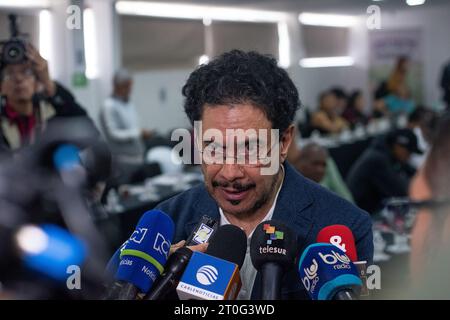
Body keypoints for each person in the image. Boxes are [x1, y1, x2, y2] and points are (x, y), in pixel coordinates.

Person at [109, 50, 373, 300]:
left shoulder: (345, 227)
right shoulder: (165, 224)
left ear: (283, 143)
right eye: (213, 148)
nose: (230, 172)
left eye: (249, 148)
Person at [0, 44, 88, 152]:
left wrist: (48, 83)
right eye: (10, 74)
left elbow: (86, 129)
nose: (19, 79)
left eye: (26, 72)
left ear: (37, 83)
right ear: (1, 86)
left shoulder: (50, 113)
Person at [347, 128, 421, 215]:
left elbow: (409, 170)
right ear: (398, 146)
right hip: (362, 213)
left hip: (368, 209)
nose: (409, 157)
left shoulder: (385, 153)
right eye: (409, 152)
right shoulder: (378, 159)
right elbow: (400, 191)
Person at [99, 69, 152, 165]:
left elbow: (132, 127)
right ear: (117, 86)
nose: (129, 89)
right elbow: (113, 134)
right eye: (126, 86)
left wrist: (141, 133)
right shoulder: (108, 106)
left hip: (137, 156)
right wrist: (138, 133)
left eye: (130, 86)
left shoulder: (128, 103)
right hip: (122, 159)